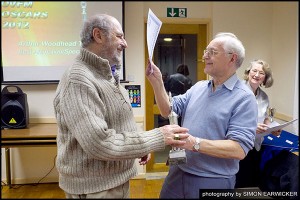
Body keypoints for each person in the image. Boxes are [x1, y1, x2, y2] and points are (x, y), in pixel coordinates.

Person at [53, 14, 190, 199]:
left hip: (113, 182)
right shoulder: (79, 80)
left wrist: (139, 147)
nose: (125, 43)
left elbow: (117, 119)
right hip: (95, 189)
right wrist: (157, 137)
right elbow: (99, 143)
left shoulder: (105, 74)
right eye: (120, 36)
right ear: (98, 36)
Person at [146, 32, 258, 198]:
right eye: (206, 51)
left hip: (213, 179)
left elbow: (238, 149)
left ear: (232, 58)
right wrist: (157, 83)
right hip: (178, 173)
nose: (205, 56)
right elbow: (168, 110)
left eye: (212, 52)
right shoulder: (198, 87)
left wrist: (194, 143)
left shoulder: (244, 97)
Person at [235, 59, 281, 188]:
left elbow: (265, 119)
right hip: (238, 144)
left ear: (265, 78)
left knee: (252, 182)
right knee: (238, 184)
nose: (256, 75)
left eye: (261, 73)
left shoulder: (264, 97)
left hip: (256, 146)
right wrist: (251, 128)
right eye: (254, 71)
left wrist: (273, 128)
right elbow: (228, 120)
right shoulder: (236, 91)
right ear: (248, 72)